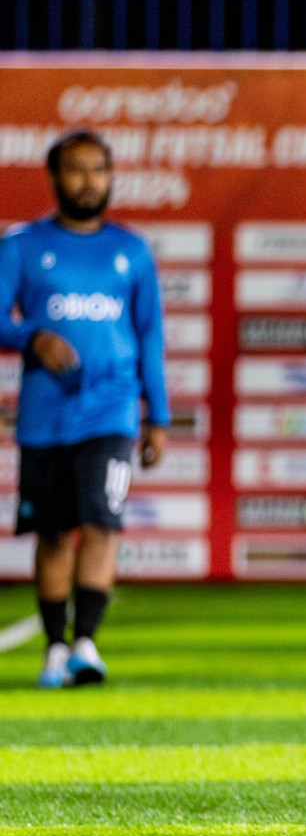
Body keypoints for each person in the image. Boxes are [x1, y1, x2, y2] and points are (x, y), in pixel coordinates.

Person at [0, 130, 169, 689]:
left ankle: (87, 645)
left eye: (98, 169)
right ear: (53, 177)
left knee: (102, 521)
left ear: (111, 175)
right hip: (46, 414)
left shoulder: (131, 250)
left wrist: (158, 417)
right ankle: (54, 647)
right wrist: (31, 338)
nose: (88, 180)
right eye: (76, 169)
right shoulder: (21, 245)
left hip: (112, 410)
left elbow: (149, 337)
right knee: (53, 533)